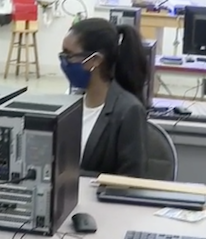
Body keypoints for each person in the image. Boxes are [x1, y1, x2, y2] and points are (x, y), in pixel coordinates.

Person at [60, 17, 149, 177]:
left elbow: (131, 180)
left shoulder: (128, 111)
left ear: (95, 60)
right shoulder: (70, 103)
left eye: (69, 55)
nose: (64, 62)